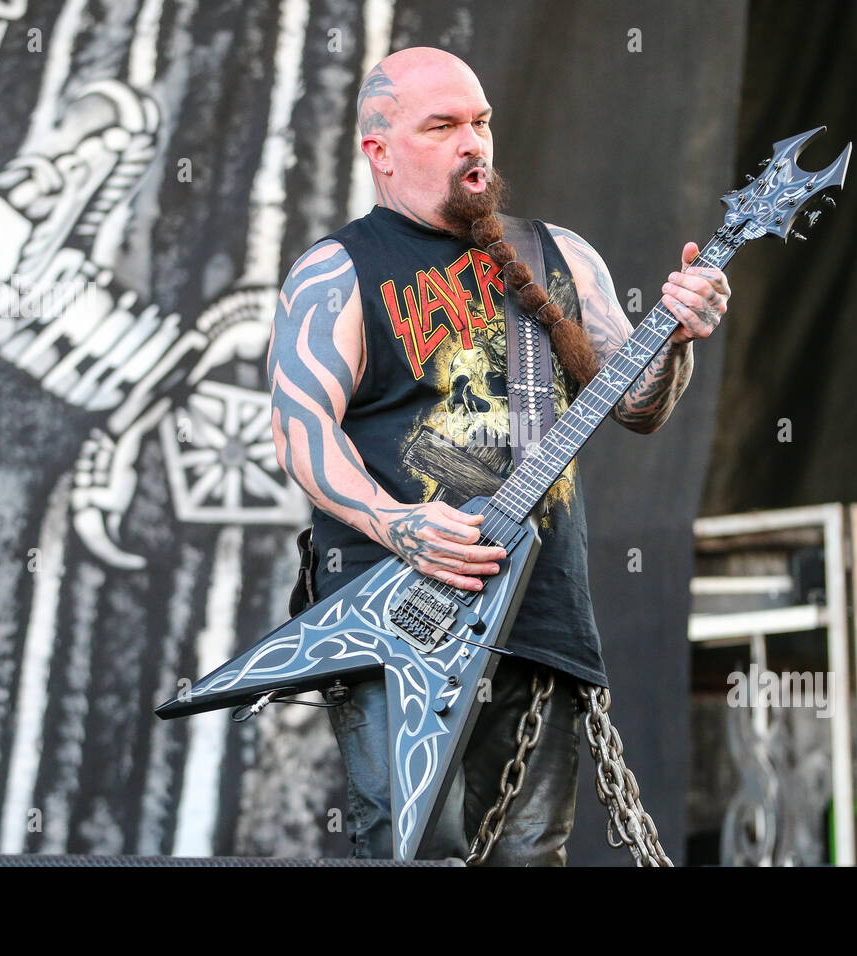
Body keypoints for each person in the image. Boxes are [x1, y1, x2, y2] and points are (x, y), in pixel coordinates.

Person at [267, 47, 730, 865]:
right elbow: (301, 431)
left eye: (479, 122)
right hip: (397, 621)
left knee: (530, 854)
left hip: (536, 612)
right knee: (417, 849)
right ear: (378, 150)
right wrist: (396, 522)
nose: (472, 142)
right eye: (442, 126)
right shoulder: (338, 272)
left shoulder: (557, 256)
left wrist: (679, 336)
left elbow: (636, 403)